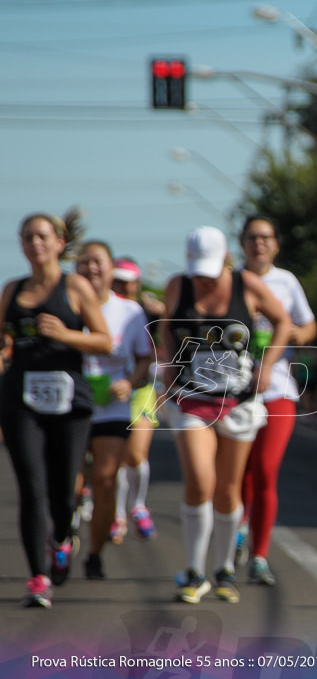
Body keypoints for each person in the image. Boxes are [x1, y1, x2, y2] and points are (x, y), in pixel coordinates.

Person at [159, 225, 290, 604]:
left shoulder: (246, 284)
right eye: (197, 270)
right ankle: (194, 571)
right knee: (200, 480)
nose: (202, 279)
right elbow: (168, 325)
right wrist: (168, 361)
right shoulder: (176, 286)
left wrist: (268, 366)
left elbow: (282, 321)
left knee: (229, 489)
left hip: (238, 400)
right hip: (190, 397)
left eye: (210, 271)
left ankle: (223, 569)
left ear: (225, 261)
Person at [0, 210, 112, 608]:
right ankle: (37, 579)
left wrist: (65, 334)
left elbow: (105, 341)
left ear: (59, 243)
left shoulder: (75, 286)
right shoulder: (11, 291)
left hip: (69, 401)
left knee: (64, 492)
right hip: (20, 400)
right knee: (31, 489)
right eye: (28, 237)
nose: (35, 244)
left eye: (42, 236)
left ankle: (61, 538)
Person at [238, 215, 317, 586]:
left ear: (276, 244)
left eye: (266, 237)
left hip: (278, 389)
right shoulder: (231, 283)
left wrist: (297, 333)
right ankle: (237, 530)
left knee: (266, 470)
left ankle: (259, 555)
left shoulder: (286, 282)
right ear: (242, 244)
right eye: (252, 237)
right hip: (235, 390)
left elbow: (308, 324)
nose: (259, 243)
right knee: (240, 473)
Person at [74, 242, 154, 579]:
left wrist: (129, 381)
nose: (92, 268)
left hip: (113, 407)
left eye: (99, 262)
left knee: (107, 479)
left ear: (111, 268)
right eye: (85, 262)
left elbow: (144, 358)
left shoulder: (131, 312)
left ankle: (94, 552)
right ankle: (62, 538)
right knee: (70, 482)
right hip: (71, 405)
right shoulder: (66, 307)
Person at [109, 257, 161, 544]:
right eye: (117, 281)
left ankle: (138, 505)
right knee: (115, 458)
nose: (122, 287)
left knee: (136, 454)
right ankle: (117, 515)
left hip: (140, 389)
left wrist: (160, 313)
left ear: (136, 284)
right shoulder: (101, 309)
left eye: (127, 282)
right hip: (110, 390)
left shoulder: (145, 311)